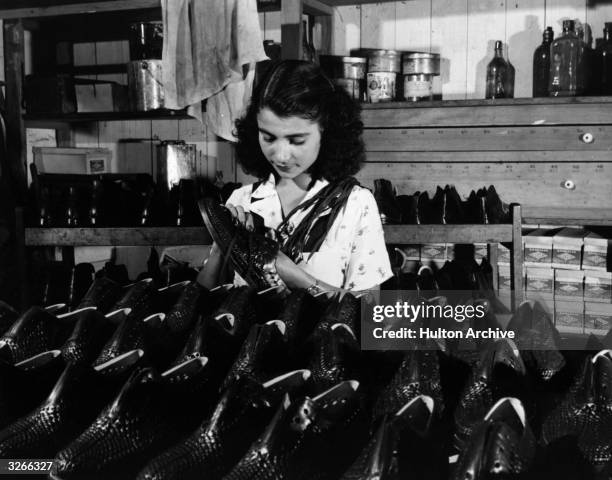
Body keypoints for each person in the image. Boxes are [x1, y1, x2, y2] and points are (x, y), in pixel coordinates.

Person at [197, 60, 392, 295]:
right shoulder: (242, 199)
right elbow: (203, 300)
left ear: (327, 132)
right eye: (268, 138)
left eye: (297, 140)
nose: (280, 155)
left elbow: (369, 311)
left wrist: (294, 275)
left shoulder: (355, 204)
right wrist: (223, 244)